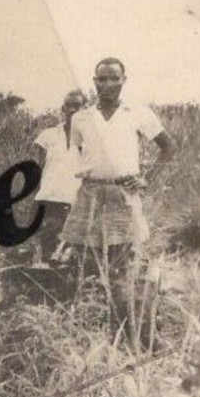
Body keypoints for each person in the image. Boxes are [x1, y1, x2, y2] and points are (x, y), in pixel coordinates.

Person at [60, 58, 175, 316]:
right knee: (85, 258)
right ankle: (89, 318)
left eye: (114, 78)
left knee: (123, 260)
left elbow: (168, 146)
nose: (108, 84)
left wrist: (146, 178)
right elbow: (80, 153)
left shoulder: (137, 112)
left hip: (123, 194)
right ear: (94, 82)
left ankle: (125, 319)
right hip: (89, 193)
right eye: (102, 79)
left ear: (124, 80)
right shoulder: (81, 117)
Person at [30, 89, 87, 265]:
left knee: (70, 253)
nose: (72, 110)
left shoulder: (91, 139)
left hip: (74, 201)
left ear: (85, 109)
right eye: (68, 106)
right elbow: (37, 168)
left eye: (77, 106)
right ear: (63, 108)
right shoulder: (48, 135)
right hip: (48, 199)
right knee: (47, 253)